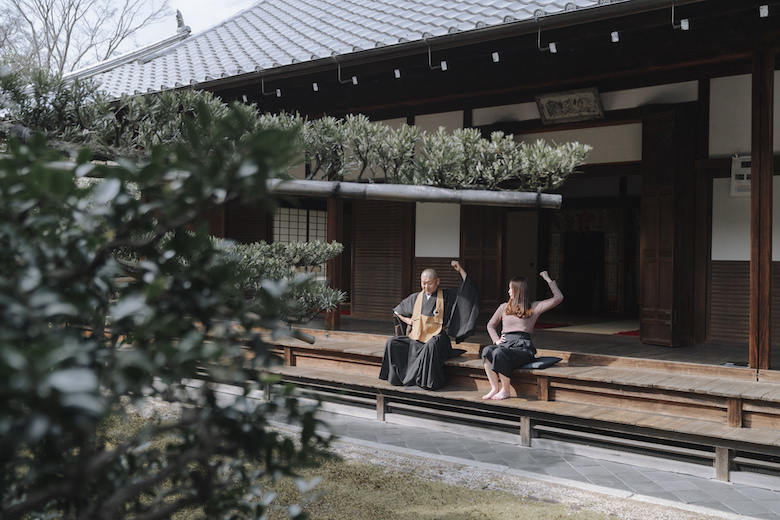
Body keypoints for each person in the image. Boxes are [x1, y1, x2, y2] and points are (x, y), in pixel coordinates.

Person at [379, 260, 479, 390]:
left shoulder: (446, 296)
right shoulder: (415, 297)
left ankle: (425, 381)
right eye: (423, 283)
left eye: (430, 283)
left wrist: (460, 270)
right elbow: (397, 311)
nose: (426, 287)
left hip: (436, 337)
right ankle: (396, 378)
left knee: (431, 345)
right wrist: (408, 320)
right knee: (392, 343)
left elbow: (466, 291)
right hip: (417, 336)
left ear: (438, 281)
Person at [482, 271, 563, 400]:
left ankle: (505, 390)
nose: (508, 291)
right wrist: (496, 340)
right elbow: (490, 325)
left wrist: (547, 279)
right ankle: (494, 388)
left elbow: (558, 298)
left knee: (498, 353)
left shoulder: (534, 307)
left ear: (518, 291)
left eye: (511, 289)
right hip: (505, 345)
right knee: (487, 351)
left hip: (522, 348)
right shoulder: (504, 307)